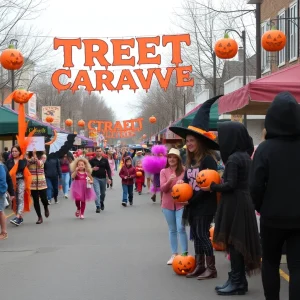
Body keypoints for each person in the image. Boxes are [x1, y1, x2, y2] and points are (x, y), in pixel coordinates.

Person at [250, 92, 300, 300]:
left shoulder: (265, 149)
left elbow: (255, 185)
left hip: (272, 216)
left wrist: (262, 206)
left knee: (270, 262)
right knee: (297, 267)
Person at [202, 122, 261, 295]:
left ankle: (237, 281)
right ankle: (238, 279)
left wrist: (213, 186)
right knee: (236, 242)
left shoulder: (234, 158)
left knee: (234, 243)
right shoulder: (245, 155)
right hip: (243, 202)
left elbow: (230, 185)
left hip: (235, 204)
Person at [169, 96, 221, 280]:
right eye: (187, 141)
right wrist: (182, 187)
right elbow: (189, 182)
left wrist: (189, 199)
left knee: (202, 235)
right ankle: (199, 266)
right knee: (196, 236)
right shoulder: (190, 160)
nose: (189, 144)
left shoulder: (208, 160)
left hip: (205, 205)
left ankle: (211, 268)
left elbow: (208, 185)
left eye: (192, 141)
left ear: (200, 141)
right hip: (192, 204)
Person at [160, 148, 187, 265]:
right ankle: (174, 254)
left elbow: (189, 186)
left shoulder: (184, 171)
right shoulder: (163, 171)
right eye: (169, 157)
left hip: (181, 203)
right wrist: (170, 181)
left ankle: (185, 253)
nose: (171, 159)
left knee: (181, 228)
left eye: (174, 157)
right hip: (167, 204)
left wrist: (183, 183)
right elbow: (163, 189)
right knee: (172, 229)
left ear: (178, 159)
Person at [6, 145, 27, 226]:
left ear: (19, 152)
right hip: (12, 182)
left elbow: (21, 167)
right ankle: (19, 218)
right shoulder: (9, 161)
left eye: (16, 151)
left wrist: (21, 158)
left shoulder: (23, 160)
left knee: (20, 198)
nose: (14, 153)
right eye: (13, 151)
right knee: (15, 200)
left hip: (21, 180)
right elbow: (7, 172)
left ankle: (17, 217)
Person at [27, 150, 49, 224]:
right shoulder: (28, 156)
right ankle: (39, 217)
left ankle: (46, 207)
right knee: (35, 200)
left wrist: (35, 156)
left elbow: (40, 164)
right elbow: (26, 164)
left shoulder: (43, 156)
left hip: (41, 181)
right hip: (32, 182)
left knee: (44, 199)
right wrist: (30, 158)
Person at [89, 147, 112, 213]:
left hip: (103, 178)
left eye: (99, 151)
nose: (98, 152)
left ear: (102, 152)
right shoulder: (92, 160)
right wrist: (92, 168)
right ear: (95, 152)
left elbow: (108, 169)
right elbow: (88, 169)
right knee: (97, 192)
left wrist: (109, 178)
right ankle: (98, 206)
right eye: (97, 151)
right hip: (95, 178)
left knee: (103, 193)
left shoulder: (105, 160)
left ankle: (101, 201)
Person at [0, 162, 8, 240]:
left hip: (0, 193)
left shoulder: (0, 167)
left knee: (0, 211)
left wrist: (1, 191)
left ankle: (4, 232)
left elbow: (3, 182)